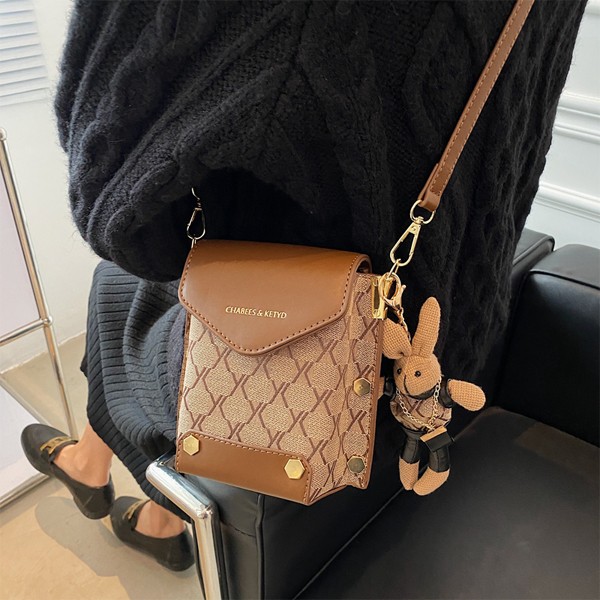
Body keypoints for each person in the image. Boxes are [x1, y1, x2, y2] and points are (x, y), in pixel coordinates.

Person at [22, 0, 586, 571]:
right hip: (459, 326)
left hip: (330, 376)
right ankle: (141, 505)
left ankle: (96, 472)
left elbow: (110, 200)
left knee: (117, 287)